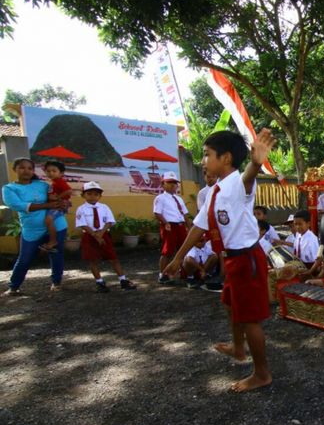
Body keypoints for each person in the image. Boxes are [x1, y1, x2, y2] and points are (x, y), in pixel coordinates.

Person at [164, 128, 277, 392]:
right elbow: (198, 227)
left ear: (226, 158)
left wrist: (257, 162)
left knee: (250, 320)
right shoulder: (215, 192)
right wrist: (177, 259)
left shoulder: (238, 184)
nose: (203, 161)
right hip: (232, 260)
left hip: (247, 258)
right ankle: (239, 348)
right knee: (229, 303)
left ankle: (262, 374)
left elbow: (249, 178)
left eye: (207, 155)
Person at [2, 158, 67, 295]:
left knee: (56, 255)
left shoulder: (42, 185)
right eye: (22, 168)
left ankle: (56, 282)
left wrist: (63, 203)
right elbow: (17, 205)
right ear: (15, 169)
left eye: (29, 168)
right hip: (31, 230)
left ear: (33, 171)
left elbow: (57, 195)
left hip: (56, 226)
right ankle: (14, 286)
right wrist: (47, 205)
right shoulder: (9, 189)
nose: (26, 171)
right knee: (25, 258)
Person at [75, 181, 137, 293]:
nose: (93, 197)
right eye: (89, 194)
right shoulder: (81, 209)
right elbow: (82, 224)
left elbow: (109, 221)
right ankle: (99, 282)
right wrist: (95, 235)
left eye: (96, 194)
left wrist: (101, 233)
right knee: (93, 260)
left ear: (100, 196)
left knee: (113, 258)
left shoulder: (104, 207)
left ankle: (123, 280)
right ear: (83, 195)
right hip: (89, 236)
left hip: (104, 235)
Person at [153, 171, 190, 284]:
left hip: (180, 225)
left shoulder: (179, 199)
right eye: (169, 183)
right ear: (163, 184)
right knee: (168, 251)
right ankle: (162, 274)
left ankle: (184, 273)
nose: (173, 185)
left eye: (174, 183)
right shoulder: (160, 198)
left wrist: (188, 226)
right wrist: (165, 223)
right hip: (170, 225)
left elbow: (185, 214)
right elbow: (157, 213)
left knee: (183, 250)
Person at [40, 161, 73, 253]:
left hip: (59, 204)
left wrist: (58, 197)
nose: (51, 173)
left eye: (54, 171)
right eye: (48, 171)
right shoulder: (54, 182)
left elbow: (69, 191)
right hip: (56, 204)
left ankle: (53, 241)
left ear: (61, 173)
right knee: (48, 220)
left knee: (48, 219)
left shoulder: (59, 181)